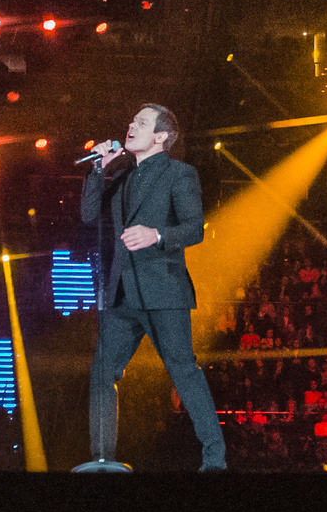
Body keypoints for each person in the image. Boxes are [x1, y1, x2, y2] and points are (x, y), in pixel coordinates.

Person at [81, 102, 226, 471]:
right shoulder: (124, 177)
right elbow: (87, 214)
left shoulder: (180, 173)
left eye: (141, 123)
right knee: (102, 371)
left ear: (160, 136)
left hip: (163, 289)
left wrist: (157, 234)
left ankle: (214, 459)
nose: (131, 125)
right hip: (121, 293)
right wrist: (99, 169)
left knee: (182, 370)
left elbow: (195, 229)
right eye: (131, 120)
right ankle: (102, 459)